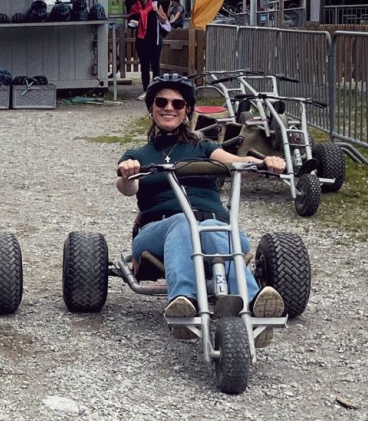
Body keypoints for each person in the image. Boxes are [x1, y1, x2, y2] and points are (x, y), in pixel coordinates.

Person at [115, 74, 286, 344]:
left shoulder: (203, 147)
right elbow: (127, 188)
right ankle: (184, 301)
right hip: (157, 232)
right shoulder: (137, 155)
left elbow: (236, 164)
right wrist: (128, 174)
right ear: (151, 108)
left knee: (208, 227)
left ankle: (254, 303)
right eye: (161, 102)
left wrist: (267, 164)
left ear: (187, 111)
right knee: (186, 222)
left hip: (215, 227)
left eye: (177, 103)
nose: (168, 108)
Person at [127, 0, 170, 97]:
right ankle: (146, 90)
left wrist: (156, 11)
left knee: (155, 66)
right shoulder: (135, 7)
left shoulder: (156, 4)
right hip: (141, 40)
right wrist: (133, 23)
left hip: (154, 39)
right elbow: (130, 21)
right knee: (144, 66)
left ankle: (156, 90)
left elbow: (164, 20)